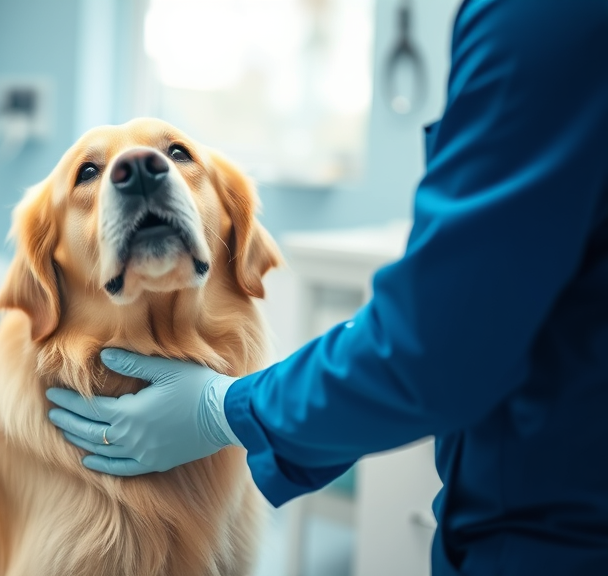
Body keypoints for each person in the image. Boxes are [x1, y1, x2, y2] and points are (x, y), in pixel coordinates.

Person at [45, 1, 608, 574]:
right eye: (90, 173)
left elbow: (438, 343)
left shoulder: (538, 15)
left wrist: (222, 409)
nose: (139, 169)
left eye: (178, 156)